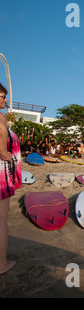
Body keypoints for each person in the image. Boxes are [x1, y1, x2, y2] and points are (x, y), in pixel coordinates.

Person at [0, 82, 22, 274]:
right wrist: (10, 157)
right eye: (2, 96)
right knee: (1, 221)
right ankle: (1, 264)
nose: (5, 100)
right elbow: (2, 152)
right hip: (0, 173)